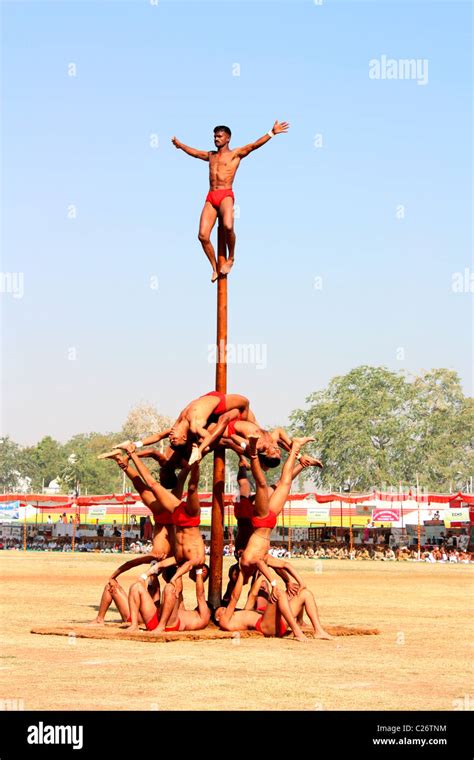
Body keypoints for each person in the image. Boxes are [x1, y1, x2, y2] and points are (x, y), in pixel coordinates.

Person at [172, 121, 290, 281]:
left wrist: (272, 132)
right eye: (215, 136)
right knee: (202, 236)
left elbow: (254, 145)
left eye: (219, 136)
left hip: (226, 194)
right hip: (211, 196)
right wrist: (180, 145)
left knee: (228, 226)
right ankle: (214, 267)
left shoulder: (235, 154)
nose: (216, 139)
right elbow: (194, 153)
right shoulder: (211, 155)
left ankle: (231, 258)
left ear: (228, 138)